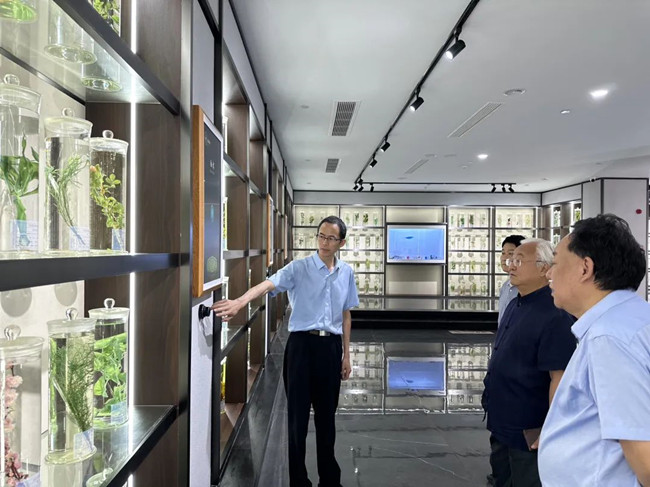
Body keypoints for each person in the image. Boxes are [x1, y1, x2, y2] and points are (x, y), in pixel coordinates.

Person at [212, 215, 358, 487]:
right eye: (321, 236)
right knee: (297, 419)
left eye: (331, 238)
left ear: (341, 242)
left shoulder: (346, 273)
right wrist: (240, 301)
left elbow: (346, 314)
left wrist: (346, 355)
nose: (324, 242)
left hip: (331, 348)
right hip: (301, 348)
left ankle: (330, 480)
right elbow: (268, 284)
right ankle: (298, 481)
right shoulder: (299, 268)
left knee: (327, 418)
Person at [538, 214, 650, 486]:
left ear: (584, 268)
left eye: (555, 263)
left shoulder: (610, 338)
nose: (549, 274)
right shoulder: (633, 317)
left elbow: (645, 457)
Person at [482, 238, 576, 487]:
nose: (511, 265)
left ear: (544, 268)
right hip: (502, 420)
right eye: (511, 259)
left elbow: (559, 377)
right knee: (502, 478)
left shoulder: (554, 314)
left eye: (519, 260)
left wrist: (551, 426)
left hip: (529, 429)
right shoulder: (515, 303)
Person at [497, 235, 526, 326]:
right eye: (503, 253)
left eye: (510, 253)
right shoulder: (506, 286)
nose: (504, 258)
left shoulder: (526, 287)